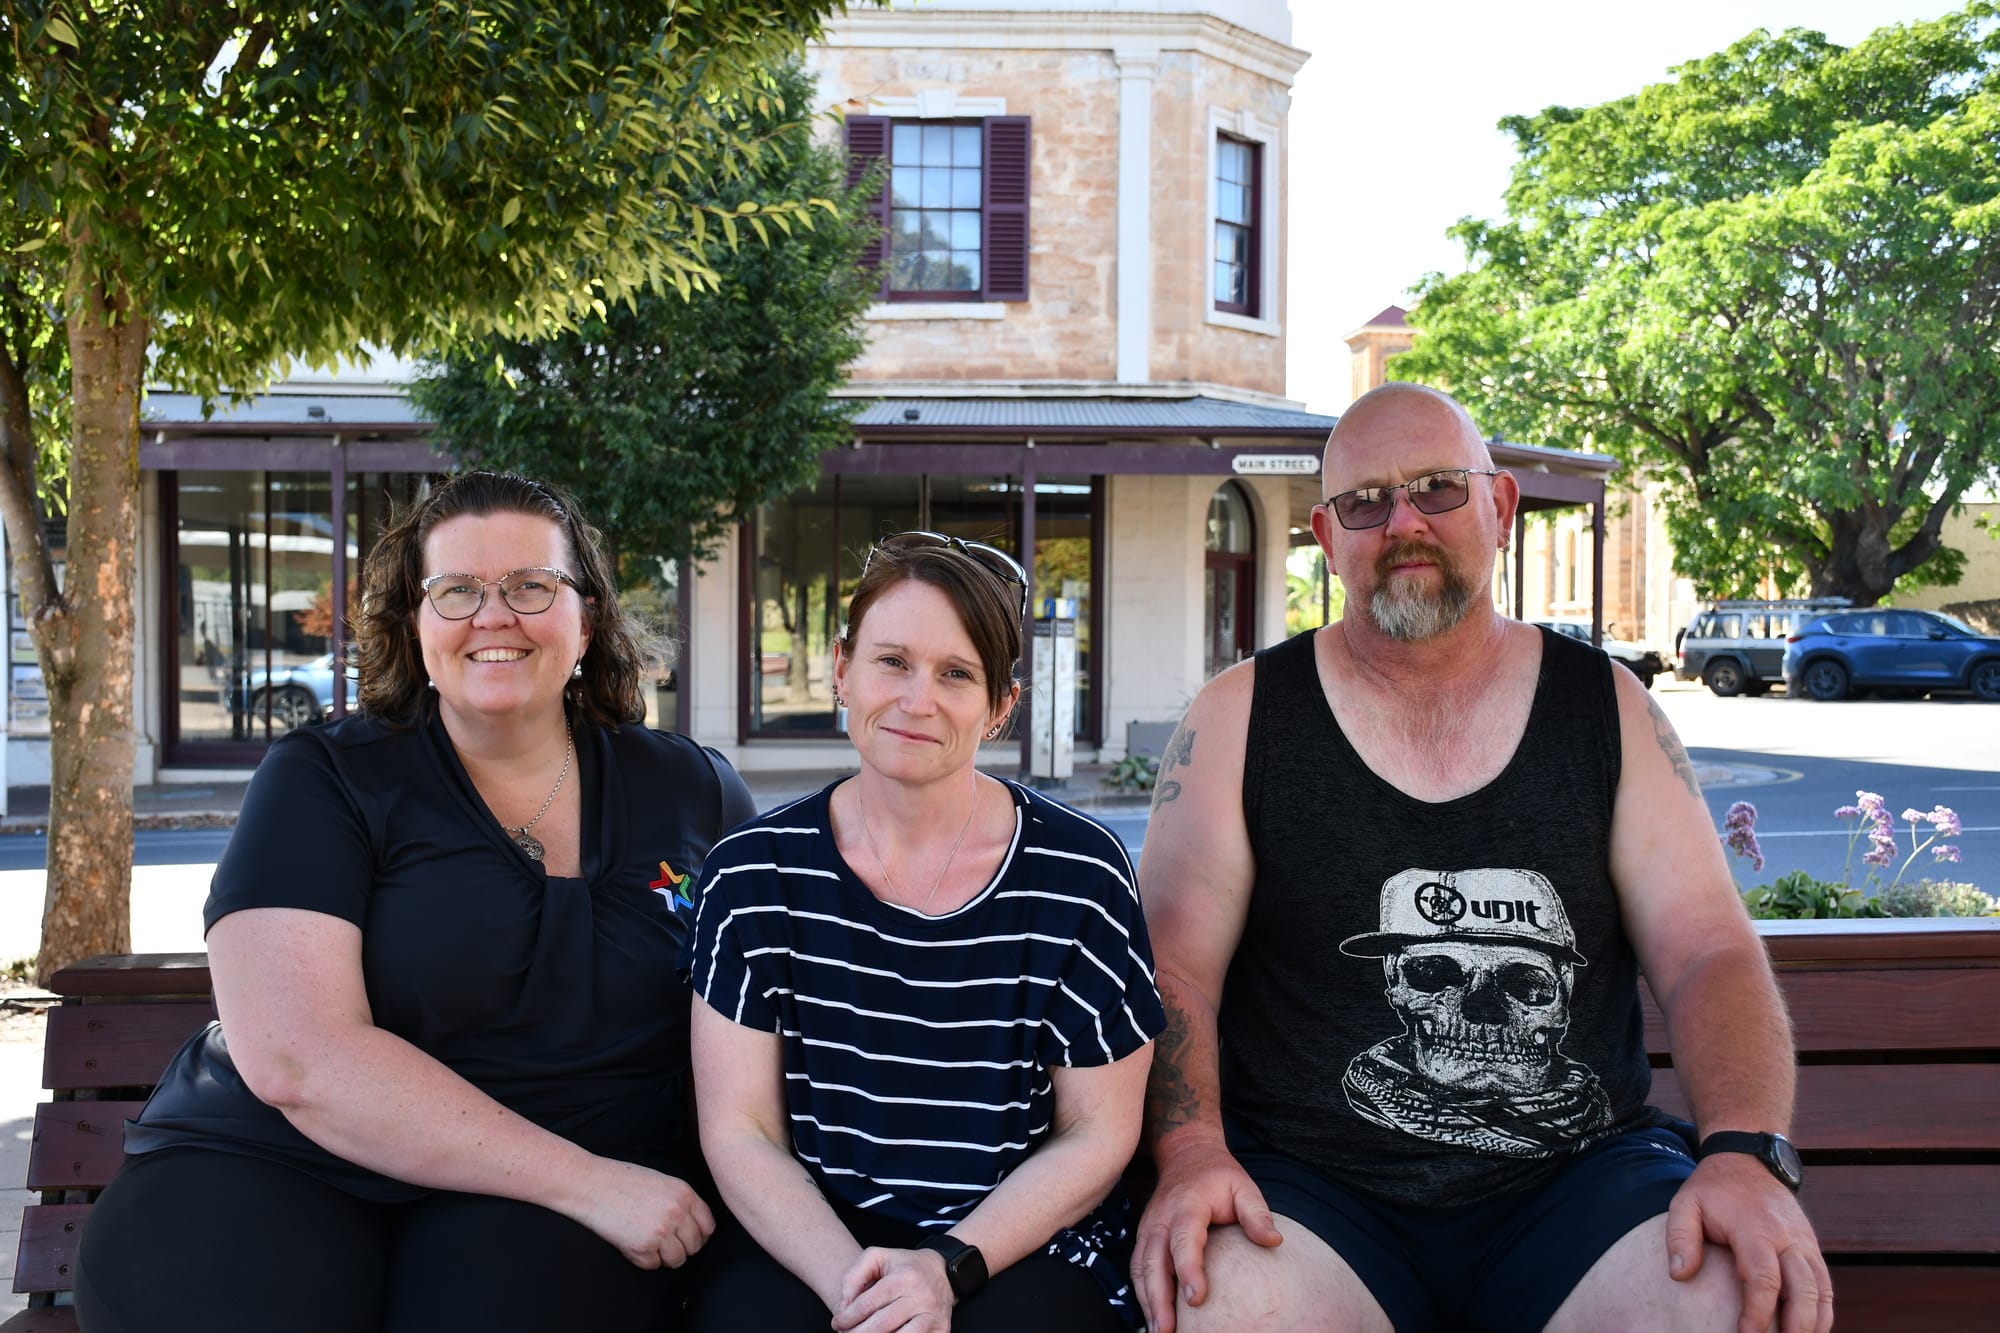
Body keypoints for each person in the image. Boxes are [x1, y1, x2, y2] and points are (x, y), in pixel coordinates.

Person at [1130, 383, 1832, 1333]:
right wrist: (1191, 1153)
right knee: (1223, 1305)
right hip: (1309, 1189)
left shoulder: (1608, 711)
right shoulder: (1238, 718)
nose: (1403, 523)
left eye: (1437, 488)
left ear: (1500, 506)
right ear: (1327, 537)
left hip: (1580, 1182)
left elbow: (1707, 948)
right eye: (1365, 502)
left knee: (1724, 1295)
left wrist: (1743, 1155)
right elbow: (1174, 970)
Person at [77, 472, 755, 1332]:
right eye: (457, 590)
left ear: (586, 620)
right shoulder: (326, 776)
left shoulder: (693, 792)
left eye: (531, 585)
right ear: (414, 625)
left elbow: (779, 1003)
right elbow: (296, 1058)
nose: (494, 615)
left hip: (551, 1207)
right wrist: (590, 1183)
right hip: (278, 1163)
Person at [686, 531, 1164, 1333]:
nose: (918, 699)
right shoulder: (752, 874)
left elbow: (1097, 1129)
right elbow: (742, 1131)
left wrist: (945, 1267)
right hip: (815, 1229)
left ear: (1001, 705)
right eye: (893, 661)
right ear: (842, 669)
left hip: (1017, 1235)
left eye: (956, 673)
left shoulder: (1081, 874)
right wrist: (862, 1290)